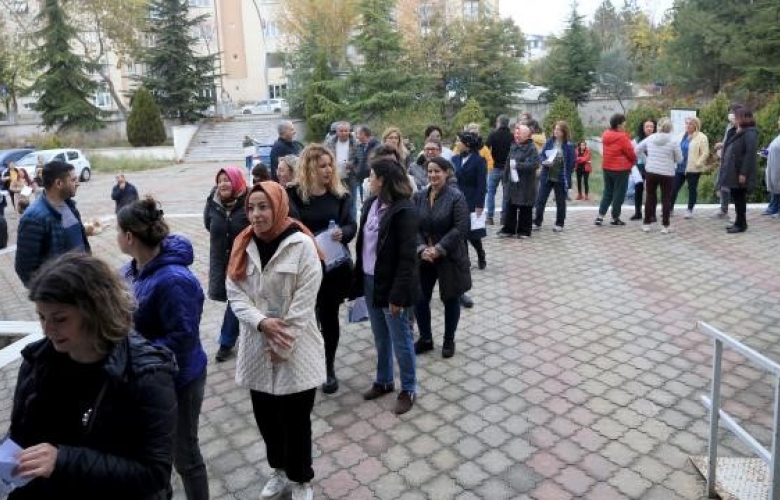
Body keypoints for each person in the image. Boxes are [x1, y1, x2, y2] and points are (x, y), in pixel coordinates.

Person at [7, 252, 178, 499]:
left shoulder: (146, 374)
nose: (47, 329)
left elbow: (154, 472)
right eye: (42, 317)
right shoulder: (38, 360)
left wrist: (63, 459)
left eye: (60, 319)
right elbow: (21, 434)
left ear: (95, 311)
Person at [226, 181, 324, 500]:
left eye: (263, 206)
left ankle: (301, 480)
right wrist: (262, 322)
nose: (256, 214)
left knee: (296, 421)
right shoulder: (243, 244)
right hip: (257, 345)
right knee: (267, 418)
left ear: (278, 206)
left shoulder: (302, 245)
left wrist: (282, 343)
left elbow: (304, 301)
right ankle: (279, 470)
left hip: (296, 349)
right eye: (251, 208)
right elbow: (235, 294)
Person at [117, 197, 209, 500]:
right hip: (150, 376)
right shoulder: (131, 270)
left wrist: (137, 352)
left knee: (185, 454)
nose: (116, 237)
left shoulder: (173, 280)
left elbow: (182, 338)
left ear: (129, 237)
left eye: (118, 231)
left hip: (181, 378)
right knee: (157, 455)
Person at [286, 144, 356, 395]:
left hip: (333, 270)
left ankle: (328, 368)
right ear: (309, 167)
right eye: (322, 165)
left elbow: (351, 225)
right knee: (304, 319)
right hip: (303, 268)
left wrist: (343, 233)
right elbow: (290, 225)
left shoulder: (340, 194)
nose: (328, 170)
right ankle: (304, 362)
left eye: (330, 165)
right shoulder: (293, 194)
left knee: (329, 318)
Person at [352, 157, 419, 415]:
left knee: (400, 339)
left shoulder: (404, 210)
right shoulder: (370, 203)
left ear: (383, 180)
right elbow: (364, 245)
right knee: (380, 336)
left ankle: (409, 388)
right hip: (370, 280)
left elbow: (407, 259)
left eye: (372, 176)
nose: (368, 180)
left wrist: (398, 295)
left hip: (392, 285)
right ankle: (384, 380)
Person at [413, 156, 471, 358]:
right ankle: (426, 338)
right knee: (420, 298)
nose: (432, 175)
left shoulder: (456, 197)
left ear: (447, 173)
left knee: (450, 298)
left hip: (449, 255)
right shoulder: (419, 196)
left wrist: (438, 248)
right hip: (425, 257)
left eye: (437, 171)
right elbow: (415, 227)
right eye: (429, 171)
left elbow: (460, 228)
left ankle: (448, 340)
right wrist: (422, 249)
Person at [15, 160, 90, 287]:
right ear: (59, 183)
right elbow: (25, 269)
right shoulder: (33, 218)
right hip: (61, 294)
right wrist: (50, 295)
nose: (78, 183)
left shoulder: (70, 205)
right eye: (73, 180)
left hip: (81, 285)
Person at [204, 166, 249, 362]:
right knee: (235, 298)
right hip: (223, 261)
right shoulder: (213, 202)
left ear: (237, 181)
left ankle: (226, 341)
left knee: (237, 299)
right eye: (220, 180)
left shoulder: (248, 201)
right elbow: (209, 224)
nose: (223, 183)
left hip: (246, 260)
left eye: (227, 179)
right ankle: (231, 338)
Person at [635, 118, 683, 234]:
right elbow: (680, 159)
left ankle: (646, 224)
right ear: (670, 128)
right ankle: (665, 226)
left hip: (651, 171)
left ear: (658, 127)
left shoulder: (651, 138)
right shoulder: (674, 141)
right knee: (666, 199)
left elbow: (637, 149)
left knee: (650, 197)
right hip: (667, 173)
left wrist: (647, 159)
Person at [452, 131, 487, 270]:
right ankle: (465, 260)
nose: (456, 144)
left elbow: (481, 185)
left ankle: (480, 253)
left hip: (472, 199)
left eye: (458, 141)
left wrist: (480, 204)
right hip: (456, 198)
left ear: (466, 145)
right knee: (460, 233)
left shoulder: (479, 161)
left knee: (471, 233)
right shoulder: (454, 159)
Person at [720, 107, 758, 233]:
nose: (734, 119)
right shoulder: (738, 131)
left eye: (736, 117)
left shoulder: (750, 132)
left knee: (740, 199)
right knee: (736, 198)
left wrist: (743, 173)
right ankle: (739, 222)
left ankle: (741, 225)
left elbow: (750, 154)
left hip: (740, 172)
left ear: (743, 118)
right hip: (733, 172)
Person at [596, 113, 637, 226]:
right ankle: (615, 218)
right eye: (624, 123)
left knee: (607, 192)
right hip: (621, 169)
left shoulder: (606, 134)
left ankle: (600, 216)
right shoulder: (623, 137)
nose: (625, 125)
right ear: (619, 124)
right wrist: (634, 161)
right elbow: (630, 152)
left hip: (607, 167)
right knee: (619, 194)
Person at [533, 121, 575, 232]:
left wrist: (567, 175)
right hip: (547, 176)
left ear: (563, 132)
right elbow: (541, 155)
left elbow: (571, 163)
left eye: (558, 129)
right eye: (555, 129)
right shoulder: (549, 142)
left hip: (560, 178)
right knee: (540, 200)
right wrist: (545, 162)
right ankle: (537, 222)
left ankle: (559, 223)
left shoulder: (569, 145)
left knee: (560, 201)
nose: (555, 131)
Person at [500, 124, 540, 238]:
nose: (516, 135)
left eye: (519, 133)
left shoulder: (531, 148)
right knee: (511, 206)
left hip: (526, 184)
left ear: (526, 135)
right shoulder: (513, 146)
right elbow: (508, 162)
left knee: (525, 208)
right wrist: (505, 178)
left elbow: (535, 164)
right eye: (516, 133)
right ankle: (509, 229)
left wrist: (518, 165)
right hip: (512, 183)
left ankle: (524, 231)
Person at [671, 116, 710, 219]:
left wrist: (698, 163)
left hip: (693, 169)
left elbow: (705, 153)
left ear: (696, 125)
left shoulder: (702, 137)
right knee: (674, 188)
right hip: (679, 167)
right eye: (687, 123)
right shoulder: (681, 135)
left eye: (690, 124)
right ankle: (670, 209)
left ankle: (689, 210)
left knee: (692, 189)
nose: (688, 126)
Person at [713, 105, 742, 219]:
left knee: (732, 188)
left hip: (734, 163)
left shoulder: (741, 129)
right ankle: (723, 210)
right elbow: (728, 142)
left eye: (733, 113)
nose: (730, 115)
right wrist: (721, 145)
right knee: (722, 185)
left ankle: (737, 216)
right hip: (725, 160)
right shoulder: (729, 126)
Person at [485, 115, 514, 225]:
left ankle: (490, 217)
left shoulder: (493, 134)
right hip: (507, 168)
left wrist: (489, 160)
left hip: (494, 167)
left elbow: (486, 148)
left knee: (491, 193)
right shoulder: (512, 136)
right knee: (506, 194)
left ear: (499, 122)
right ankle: (503, 217)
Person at [630, 119, 656, 220]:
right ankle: (638, 213)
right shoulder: (636, 140)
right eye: (647, 126)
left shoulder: (657, 139)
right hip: (639, 169)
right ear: (643, 128)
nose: (649, 128)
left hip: (653, 169)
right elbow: (632, 155)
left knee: (651, 191)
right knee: (638, 189)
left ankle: (652, 214)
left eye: (651, 126)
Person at [325, 121, 358, 192]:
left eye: (346, 131)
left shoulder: (355, 143)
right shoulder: (329, 143)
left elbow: (359, 158)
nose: (343, 133)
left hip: (350, 175)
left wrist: (352, 164)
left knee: (351, 198)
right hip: (335, 175)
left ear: (349, 131)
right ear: (337, 132)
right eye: (341, 131)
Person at [764, 114, 780, 218]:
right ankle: (773, 207)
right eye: (778, 120)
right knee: (775, 189)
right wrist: (766, 152)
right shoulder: (778, 137)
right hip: (773, 167)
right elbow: (772, 149)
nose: (778, 122)